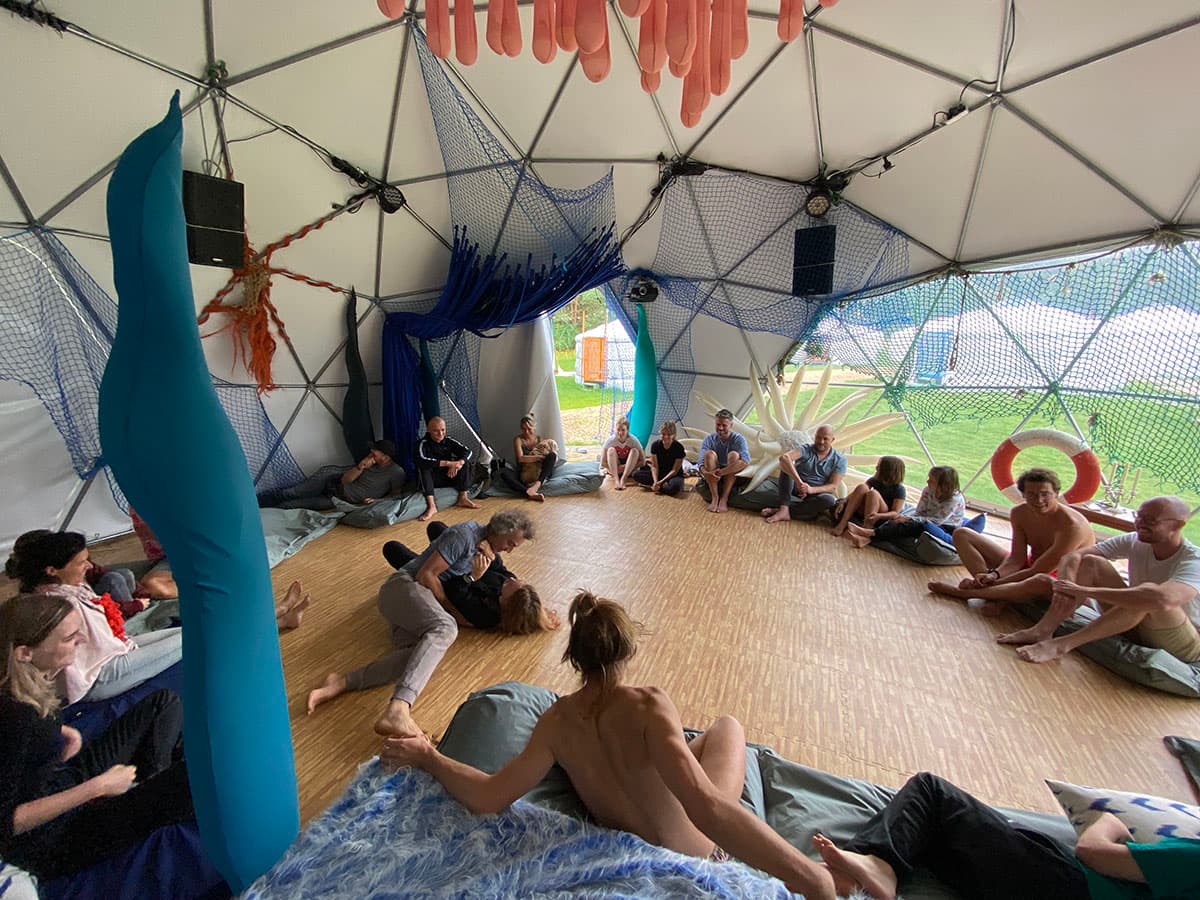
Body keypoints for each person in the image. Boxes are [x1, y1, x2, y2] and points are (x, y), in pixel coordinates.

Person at [378, 590, 837, 900]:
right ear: (628, 651)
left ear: (574, 659)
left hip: (634, 834)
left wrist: (429, 756)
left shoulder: (554, 723)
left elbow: (488, 796)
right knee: (728, 728)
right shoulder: (649, 705)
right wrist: (808, 875)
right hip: (701, 852)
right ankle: (682, 753)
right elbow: (708, 808)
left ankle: (676, 753)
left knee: (680, 752)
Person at [0, 593, 195, 880]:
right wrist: (97, 787)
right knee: (187, 780)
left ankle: (150, 781)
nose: (81, 640)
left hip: (60, 781)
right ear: (24, 653)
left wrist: (63, 732)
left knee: (162, 703)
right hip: (51, 838)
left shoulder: (28, 684)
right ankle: (148, 787)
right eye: (70, 638)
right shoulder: (17, 718)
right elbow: (7, 825)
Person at [305, 510, 537, 738]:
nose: (509, 549)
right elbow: (425, 575)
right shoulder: (465, 535)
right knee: (446, 628)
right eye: (510, 543)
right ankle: (399, 709)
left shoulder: (485, 550)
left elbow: (512, 592)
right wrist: (450, 610)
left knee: (419, 655)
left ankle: (343, 681)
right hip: (403, 586)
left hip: (408, 602)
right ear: (499, 530)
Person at [812, 771, 1200, 900]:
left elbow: (1093, 851)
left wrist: (1108, 821)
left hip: (1066, 886)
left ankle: (877, 864)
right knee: (937, 837)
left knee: (931, 792)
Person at [994, 496, 1200, 664]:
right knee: (1091, 562)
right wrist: (1065, 585)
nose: (1140, 523)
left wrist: (1085, 592)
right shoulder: (1135, 540)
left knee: (1147, 595)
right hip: (1135, 624)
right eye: (1139, 516)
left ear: (1178, 525)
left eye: (1151, 521)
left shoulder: (1194, 560)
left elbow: (1163, 599)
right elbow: (1073, 556)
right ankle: (1044, 629)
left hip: (1183, 643)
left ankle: (1061, 645)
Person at [5, 531, 183, 704]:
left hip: (111, 652)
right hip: (99, 674)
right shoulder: (60, 605)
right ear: (52, 570)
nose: (89, 566)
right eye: (81, 562)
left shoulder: (71, 589)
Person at [927, 467, 1095, 614]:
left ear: (1056, 494)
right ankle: (996, 595)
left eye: (1045, 494)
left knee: (1041, 581)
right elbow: (1016, 558)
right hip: (1029, 567)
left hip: (1056, 579)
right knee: (962, 534)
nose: (1039, 500)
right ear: (1023, 494)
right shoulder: (1019, 513)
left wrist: (989, 583)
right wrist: (993, 575)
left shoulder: (1071, 525)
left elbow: (1040, 570)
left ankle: (969, 594)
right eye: (1032, 494)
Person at [380, 520, 560, 635]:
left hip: (448, 579)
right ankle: (439, 552)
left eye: (510, 583)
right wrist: (489, 552)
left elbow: (454, 592)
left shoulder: (486, 615)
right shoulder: (510, 586)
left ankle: (433, 555)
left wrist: (472, 577)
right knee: (436, 528)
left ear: (506, 601)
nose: (512, 579)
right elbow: (499, 568)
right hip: (464, 566)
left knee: (392, 548)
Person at [841, 466, 971, 549]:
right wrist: (904, 518)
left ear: (944, 486)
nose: (927, 482)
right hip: (925, 519)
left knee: (913, 526)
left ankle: (870, 533)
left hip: (945, 526)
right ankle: (866, 539)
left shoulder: (954, 499)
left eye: (931, 480)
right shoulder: (927, 490)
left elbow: (937, 521)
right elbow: (919, 512)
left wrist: (910, 519)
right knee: (897, 520)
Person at [263, 439, 406, 510]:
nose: (371, 456)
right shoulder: (367, 463)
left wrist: (377, 501)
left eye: (374, 455)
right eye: (371, 453)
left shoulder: (396, 472)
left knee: (290, 506)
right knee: (291, 492)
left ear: (385, 458)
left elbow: (396, 495)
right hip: (334, 485)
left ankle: (265, 513)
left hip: (340, 500)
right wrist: (360, 466)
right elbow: (345, 481)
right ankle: (261, 502)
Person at [763, 424, 845, 523]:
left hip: (815, 493)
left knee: (829, 500)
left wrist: (810, 490)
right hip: (796, 487)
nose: (821, 441)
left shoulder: (840, 459)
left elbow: (832, 486)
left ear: (832, 440)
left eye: (825, 439)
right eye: (818, 437)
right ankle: (784, 508)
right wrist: (799, 482)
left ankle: (783, 512)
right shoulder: (806, 448)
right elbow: (784, 458)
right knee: (786, 468)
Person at [415, 416, 481, 522]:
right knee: (424, 468)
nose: (440, 434)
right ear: (428, 430)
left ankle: (463, 497)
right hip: (432, 480)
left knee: (465, 463)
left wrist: (459, 463)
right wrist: (448, 463)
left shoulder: (448, 441)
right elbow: (421, 460)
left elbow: (467, 451)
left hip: (449, 476)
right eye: (436, 431)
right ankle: (432, 506)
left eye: (443, 430)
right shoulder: (422, 443)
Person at [830, 456, 907, 537]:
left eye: (879, 466)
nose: (876, 468)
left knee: (873, 493)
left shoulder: (899, 489)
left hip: (881, 515)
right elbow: (858, 492)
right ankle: (843, 523)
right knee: (862, 487)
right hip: (867, 511)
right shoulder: (874, 480)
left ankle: (867, 527)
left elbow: (895, 513)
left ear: (887, 471)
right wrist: (844, 501)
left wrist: (878, 516)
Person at [699, 409, 751, 513]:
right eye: (718, 424)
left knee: (734, 455)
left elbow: (745, 461)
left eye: (724, 425)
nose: (720, 428)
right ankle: (715, 497)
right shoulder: (709, 439)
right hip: (713, 473)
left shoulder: (739, 439)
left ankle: (724, 498)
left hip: (729, 473)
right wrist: (706, 473)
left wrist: (721, 472)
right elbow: (700, 462)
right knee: (709, 454)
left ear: (731, 425)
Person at [497, 413, 557, 502]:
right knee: (503, 472)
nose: (527, 432)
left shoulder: (540, 439)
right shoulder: (518, 439)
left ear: (534, 427)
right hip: (523, 472)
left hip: (539, 472)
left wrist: (539, 458)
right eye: (523, 429)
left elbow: (546, 455)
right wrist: (539, 457)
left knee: (552, 455)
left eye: (529, 429)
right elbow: (521, 458)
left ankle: (536, 485)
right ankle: (528, 493)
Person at [632, 421, 688, 496]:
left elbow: (674, 471)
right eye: (663, 434)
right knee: (636, 474)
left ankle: (657, 486)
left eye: (669, 434)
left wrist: (660, 483)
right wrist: (656, 481)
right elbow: (654, 467)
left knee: (674, 487)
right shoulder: (655, 445)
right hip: (660, 473)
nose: (666, 437)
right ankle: (659, 486)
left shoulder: (679, 447)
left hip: (673, 476)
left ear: (673, 435)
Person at [600, 416, 645, 491]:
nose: (620, 433)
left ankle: (624, 479)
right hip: (615, 470)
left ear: (627, 430)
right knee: (611, 450)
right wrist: (617, 469)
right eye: (618, 430)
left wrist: (626, 467)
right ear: (615, 429)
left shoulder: (633, 440)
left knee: (635, 451)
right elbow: (603, 462)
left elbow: (643, 462)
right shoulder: (610, 440)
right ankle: (616, 480)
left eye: (623, 430)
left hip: (629, 469)